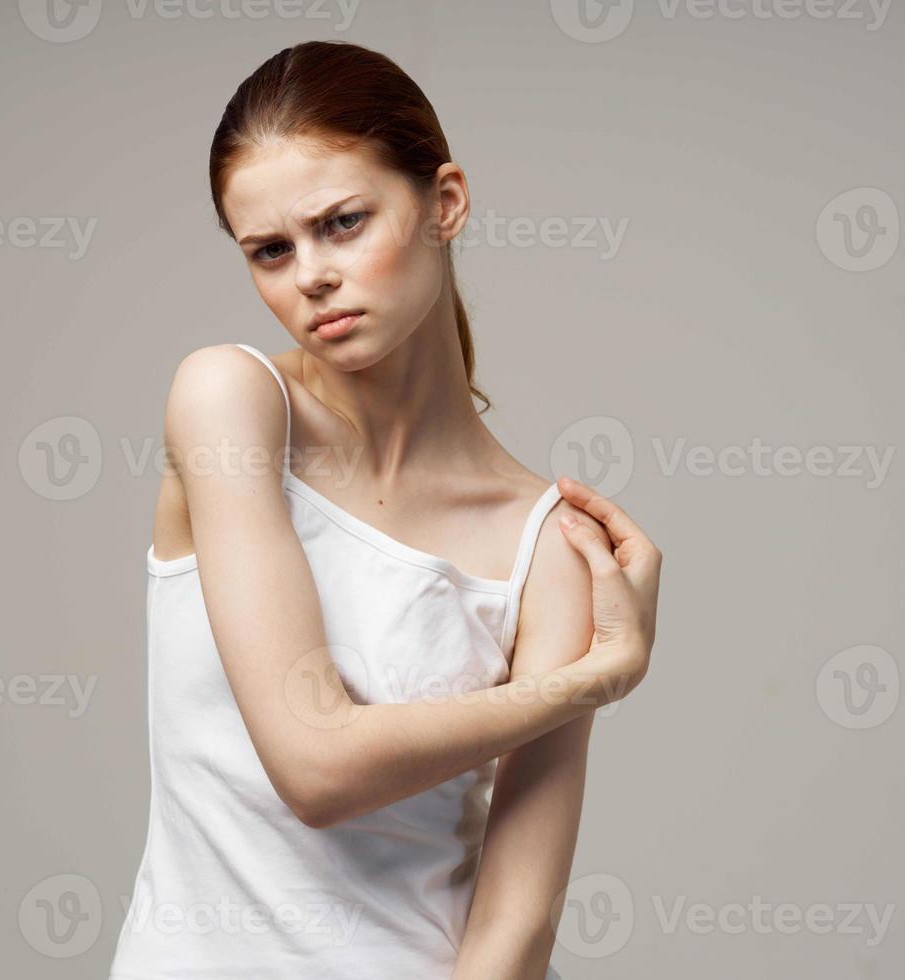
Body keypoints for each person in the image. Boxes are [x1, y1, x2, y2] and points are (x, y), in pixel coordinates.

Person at [109, 40, 663, 980]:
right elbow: (317, 766)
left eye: (344, 223)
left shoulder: (552, 542)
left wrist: (586, 679)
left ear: (443, 203)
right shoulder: (233, 404)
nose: (311, 276)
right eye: (271, 251)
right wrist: (589, 683)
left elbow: (515, 929)